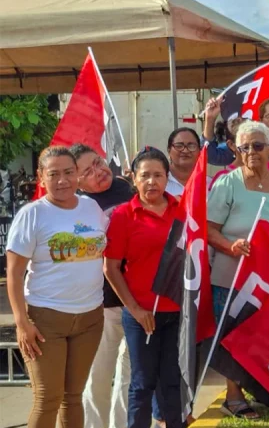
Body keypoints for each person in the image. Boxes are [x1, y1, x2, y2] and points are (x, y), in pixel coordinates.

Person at [207, 121, 269, 419]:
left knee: (266, 335)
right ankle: (234, 397)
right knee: (233, 334)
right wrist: (230, 246)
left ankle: (266, 390)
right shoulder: (227, 183)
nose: (251, 151)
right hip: (233, 276)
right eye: (244, 147)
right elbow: (208, 229)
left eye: (258, 145)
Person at [5, 146, 106, 428]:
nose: (62, 180)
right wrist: (22, 323)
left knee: (73, 397)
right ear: (41, 177)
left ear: (78, 174)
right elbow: (14, 273)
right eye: (53, 174)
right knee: (48, 398)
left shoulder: (91, 207)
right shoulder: (32, 214)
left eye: (69, 172)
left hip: (90, 318)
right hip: (46, 320)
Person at [104, 148, 185, 428]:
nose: (152, 181)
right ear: (134, 179)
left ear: (167, 178)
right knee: (142, 383)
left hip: (177, 312)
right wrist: (136, 310)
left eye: (158, 175)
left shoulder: (182, 210)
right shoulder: (124, 215)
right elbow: (111, 268)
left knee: (172, 381)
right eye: (145, 175)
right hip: (142, 316)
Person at [70, 144, 136, 428]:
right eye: (88, 171)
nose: (99, 171)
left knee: (129, 373)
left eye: (98, 162)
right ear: (77, 181)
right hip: (101, 303)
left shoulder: (127, 187)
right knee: (98, 373)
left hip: (136, 298)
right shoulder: (77, 206)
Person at [165, 127, 205, 196]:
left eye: (191, 146)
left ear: (200, 151)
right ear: (169, 151)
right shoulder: (158, 184)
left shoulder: (212, 186)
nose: (185, 151)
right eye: (179, 146)